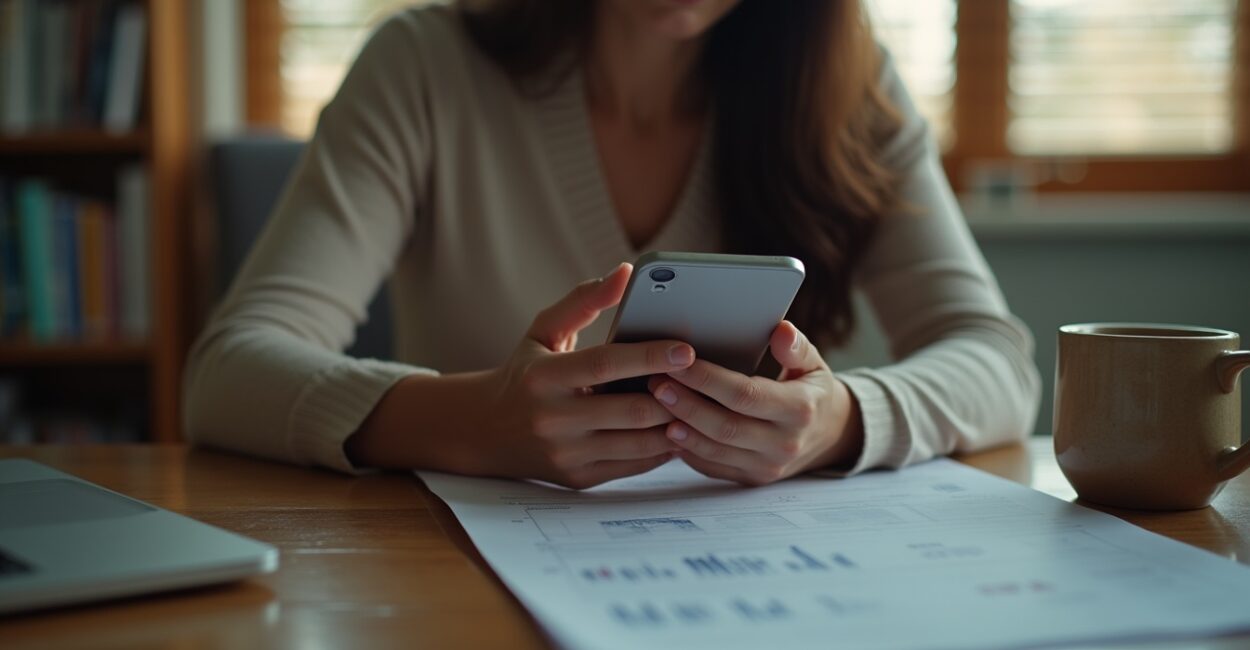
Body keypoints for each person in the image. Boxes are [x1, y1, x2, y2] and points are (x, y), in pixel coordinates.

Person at [184, 0, 1041, 488]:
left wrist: (838, 422)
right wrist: (477, 423)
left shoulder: (848, 88)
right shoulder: (421, 67)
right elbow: (227, 372)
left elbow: (999, 362)